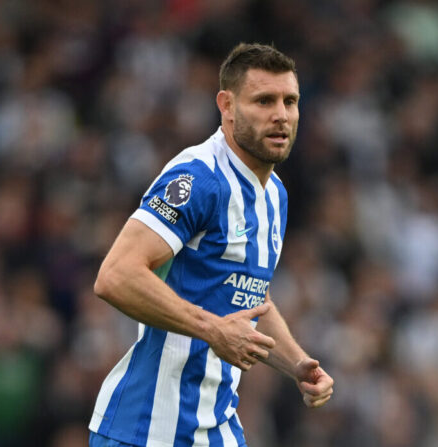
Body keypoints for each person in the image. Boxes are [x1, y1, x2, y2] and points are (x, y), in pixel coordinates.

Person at [88, 43, 334, 447]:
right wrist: (212, 329)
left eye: (290, 101)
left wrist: (297, 364)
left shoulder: (275, 195)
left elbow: (246, 293)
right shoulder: (198, 178)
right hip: (146, 430)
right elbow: (115, 276)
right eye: (264, 101)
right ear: (227, 105)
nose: (281, 115)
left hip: (214, 429)